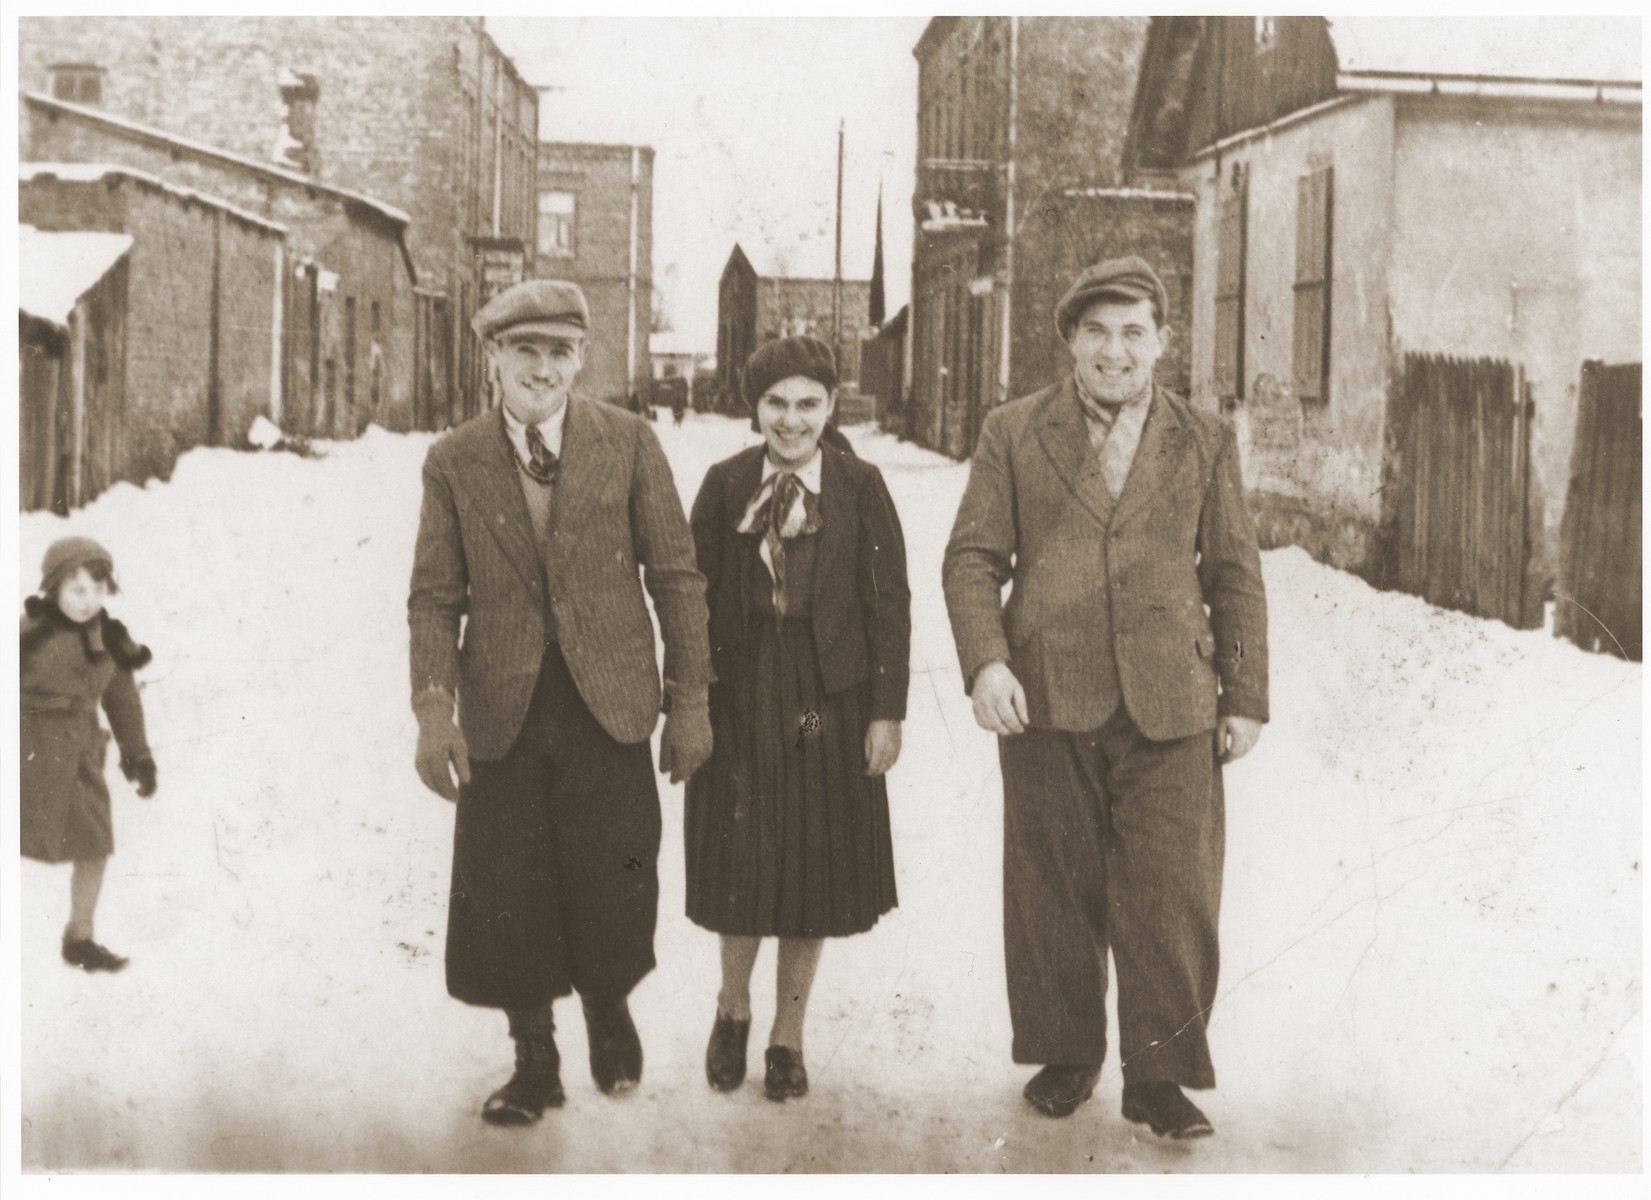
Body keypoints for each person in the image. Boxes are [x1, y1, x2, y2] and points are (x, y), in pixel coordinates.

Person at [942, 257, 1268, 1139]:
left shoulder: (1201, 438)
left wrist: (1243, 694)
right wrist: (986, 664)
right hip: (1045, 695)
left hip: (1173, 700)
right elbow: (973, 558)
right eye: (1096, 331)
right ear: (1070, 341)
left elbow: (1233, 574)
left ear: (1161, 341)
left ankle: (1160, 1075)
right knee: (1052, 884)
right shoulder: (1013, 431)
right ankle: (1066, 1050)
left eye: (1132, 332)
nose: (1114, 351)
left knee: (1170, 892)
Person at [408, 279, 713, 1126]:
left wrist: (690, 700)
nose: (542, 368)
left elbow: (677, 577)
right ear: (494, 357)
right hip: (503, 709)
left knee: (615, 877)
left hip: (607, 702)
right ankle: (533, 1057)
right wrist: (434, 708)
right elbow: (435, 597)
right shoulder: (455, 458)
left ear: (581, 359)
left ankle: (607, 1002)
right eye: (524, 350)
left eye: (559, 352)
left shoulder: (628, 443)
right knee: (509, 887)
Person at [685, 336, 910, 1102]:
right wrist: (688, 700)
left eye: (808, 403)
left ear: (831, 405)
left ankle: (787, 1036)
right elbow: (690, 600)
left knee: (812, 864)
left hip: (825, 702)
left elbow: (890, 604)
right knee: (743, 856)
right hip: (741, 694)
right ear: (753, 408)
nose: (791, 421)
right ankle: (732, 1008)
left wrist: (886, 712)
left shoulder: (859, 485)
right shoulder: (722, 487)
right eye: (776, 404)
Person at [20, 537, 158, 973]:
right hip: (24, 754)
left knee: (94, 844)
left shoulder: (110, 638)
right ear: (54, 589)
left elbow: (122, 700)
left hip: (79, 758)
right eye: (78, 590)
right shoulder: (27, 634)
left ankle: (80, 937)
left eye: (98, 590)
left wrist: (138, 756)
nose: (88, 601)